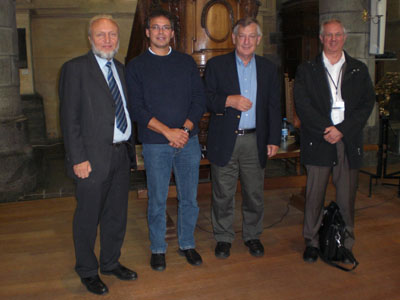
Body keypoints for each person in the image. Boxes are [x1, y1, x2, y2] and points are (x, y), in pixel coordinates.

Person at [59, 15, 137, 295]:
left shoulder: (120, 68)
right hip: (90, 160)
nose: (107, 40)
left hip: (119, 156)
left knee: (116, 215)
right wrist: (78, 158)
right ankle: (87, 270)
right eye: (101, 35)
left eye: (112, 35)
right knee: (87, 218)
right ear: (90, 38)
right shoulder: (75, 69)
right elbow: (70, 120)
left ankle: (110, 262)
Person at [125, 10, 206, 271]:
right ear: (147, 32)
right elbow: (137, 108)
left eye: (166, 28)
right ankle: (158, 248)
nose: (161, 32)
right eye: (156, 28)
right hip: (155, 144)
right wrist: (168, 132)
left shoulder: (186, 62)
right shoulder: (136, 66)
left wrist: (183, 129)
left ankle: (187, 244)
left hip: (188, 142)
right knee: (158, 199)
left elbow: (199, 99)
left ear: (172, 33)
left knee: (189, 198)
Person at [294, 19, 375, 263]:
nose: (332, 39)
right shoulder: (307, 69)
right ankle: (312, 241)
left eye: (337, 35)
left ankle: (345, 242)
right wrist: (326, 129)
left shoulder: (358, 69)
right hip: (318, 139)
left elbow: (366, 104)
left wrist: (342, 130)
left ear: (344, 38)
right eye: (328, 35)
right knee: (314, 195)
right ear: (321, 38)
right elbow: (303, 104)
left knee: (347, 196)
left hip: (347, 140)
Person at [204, 17, 281, 259]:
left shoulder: (268, 68)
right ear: (234, 38)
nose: (247, 41)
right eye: (242, 36)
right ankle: (224, 237)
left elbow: (273, 107)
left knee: (254, 194)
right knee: (223, 194)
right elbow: (206, 99)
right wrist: (229, 100)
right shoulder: (217, 65)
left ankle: (252, 235)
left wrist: (274, 139)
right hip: (225, 139)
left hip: (255, 140)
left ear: (258, 40)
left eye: (252, 36)